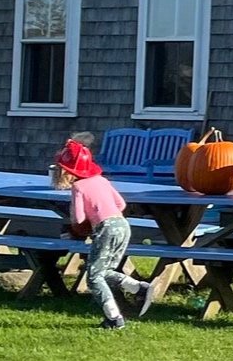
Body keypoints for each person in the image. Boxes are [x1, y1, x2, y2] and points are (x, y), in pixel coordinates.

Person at [49, 138, 155, 329]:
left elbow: (79, 219)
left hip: (105, 229)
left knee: (93, 277)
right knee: (104, 271)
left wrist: (76, 227)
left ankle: (114, 318)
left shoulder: (78, 187)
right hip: (123, 226)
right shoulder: (102, 180)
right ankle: (139, 288)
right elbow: (121, 204)